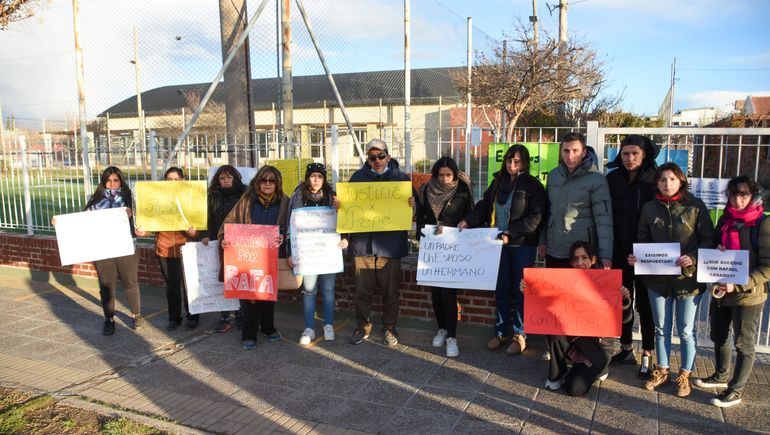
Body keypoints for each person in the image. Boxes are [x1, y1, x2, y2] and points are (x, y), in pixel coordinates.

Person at [629, 162, 714, 397]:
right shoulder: (649, 208)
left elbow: (708, 239)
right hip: (658, 280)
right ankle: (663, 370)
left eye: (672, 179)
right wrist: (638, 257)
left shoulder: (695, 206)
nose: (667, 184)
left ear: (681, 181)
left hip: (688, 280)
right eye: (663, 180)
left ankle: (685, 374)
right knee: (661, 328)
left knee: (686, 330)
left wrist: (693, 258)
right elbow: (642, 239)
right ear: (656, 182)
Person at [458, 145, 544, 355]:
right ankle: (500, 332)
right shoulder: (497, 183)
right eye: (509, 161)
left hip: (522, 245)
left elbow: (535, 218)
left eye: (517, 161)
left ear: (525, 163)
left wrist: (510, 233)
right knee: (502, 290)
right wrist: (468, 221)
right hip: (496, 245)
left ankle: (520, 335)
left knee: (521, 291)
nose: (512, 165)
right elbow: (483, 206)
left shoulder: (533, 186)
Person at [693, 176, 769, 408]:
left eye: (743, 194)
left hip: (748, 294)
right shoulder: (725, 219)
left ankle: (736, 389)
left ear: (753, 195)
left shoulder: (762, 224)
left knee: (743, 343)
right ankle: (720, 374)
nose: (738, 199)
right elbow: (714, 247)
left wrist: (737, 284)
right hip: (721, 291)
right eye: (733, 194)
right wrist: (717, 251)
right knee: (719, 335)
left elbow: (767, 266)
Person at [52, 166, 143, 335]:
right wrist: (60, 224)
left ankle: (136, 315)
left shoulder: (131, 198)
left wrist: (133, 217)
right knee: (107, 284)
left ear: (121, 181)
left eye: (116, 180)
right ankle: (109, 318)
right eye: (108, 180)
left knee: (130, 282)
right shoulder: (95, 201)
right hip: (102, 249)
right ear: (103, 182)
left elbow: (143, 223)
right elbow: (83, 223)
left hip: (127, 246)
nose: (112, 184)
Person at [535, 241, 630, 396]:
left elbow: (624, 320)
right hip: (574, 341)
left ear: (593, 259)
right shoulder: (564, 281)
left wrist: (624, 301)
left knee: (574, 389)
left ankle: (599, 368)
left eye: (584, 257)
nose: (580, 262)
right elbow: (545, 306)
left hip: (597, 348)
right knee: (554, 330)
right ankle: (556, 374)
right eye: (575, 259)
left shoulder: (607, 281)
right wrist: (529, 290)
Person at [346, 139, 414, 346]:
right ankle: (362, 326)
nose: (377, 161)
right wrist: (340, 205)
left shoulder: (401, 180)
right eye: (372, 157)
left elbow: (413, 214)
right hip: (362, 245)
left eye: (381, 156)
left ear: (388, 156)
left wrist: (413, 205)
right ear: (367, 158)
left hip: (390, 246)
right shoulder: (356, 179)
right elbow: (347, 211)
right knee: (362, 291)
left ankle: (390, 327)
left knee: (390, 291)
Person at [218, 165, 289, 350]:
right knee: (250, 296)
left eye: (271, 180)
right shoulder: (247, 200)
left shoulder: (284, 202)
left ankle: (267, 328)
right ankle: (249, 334)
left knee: (268, 294)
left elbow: (291, 226)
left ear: (277, 183)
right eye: (263, 180)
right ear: (257, 182)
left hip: (271, 255)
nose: (267, 184)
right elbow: (229, 223)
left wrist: (283, 235)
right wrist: (224, 239)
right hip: (249, 256)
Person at [606, 134, 658, 378]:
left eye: (635, 153)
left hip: (646, 254)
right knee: (622, 302)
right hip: (619, 250)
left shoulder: (655, 179)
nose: (629, 158)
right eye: (625, 153)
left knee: (645, 305)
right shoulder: (613, 178)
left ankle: (648, 352)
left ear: (644, 154)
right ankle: (626, 348)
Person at [416, 157, 475, 357]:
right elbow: (422, 215)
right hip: (433, 247)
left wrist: (467, 226)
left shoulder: (462, 190)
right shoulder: (426, 190)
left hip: (453, 248)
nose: (444, 179)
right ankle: (441, 329)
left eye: (448, 175)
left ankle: (452, 336)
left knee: (449, 294)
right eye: (440, 175)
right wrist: (421, 235)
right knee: (436, 293)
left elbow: (470, 215)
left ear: (454, 174)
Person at [286, 162, 348, 346]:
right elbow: (290, 224)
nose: (316, 180)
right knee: (309, 290)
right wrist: (290, 251)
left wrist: (346, 238)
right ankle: (309, 327)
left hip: (328, 251)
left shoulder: (332, 196)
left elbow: (345, 221)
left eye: (320, 176)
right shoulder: (298, 196)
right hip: (308, 253)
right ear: (307, 177)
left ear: (324, 178)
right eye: (312, 176)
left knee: (328, 290)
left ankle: (328, 324)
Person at [136, 167, 199, 331]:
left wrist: (195, 232)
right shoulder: (157, 199)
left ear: (182, 180)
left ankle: (192, 316)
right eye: (169, 179)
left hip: (186, 248)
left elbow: (199, 224)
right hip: (165, 248)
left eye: (176, 179)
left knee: (188, 285)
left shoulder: (191, 198)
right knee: (171, 286)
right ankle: (174, 317)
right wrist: (144, 232)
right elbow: (151, 223)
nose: (172, 182)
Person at [539, 132, 613, 270]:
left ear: (584, 152)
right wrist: (542, 240)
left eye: (575, 151)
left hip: (582, 253)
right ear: (561, 152)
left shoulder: (596, 179)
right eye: (566, 151)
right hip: (554, 249)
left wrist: (606, 256)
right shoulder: (554, 175)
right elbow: (547, 210)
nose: (570, 156)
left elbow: (604, 220)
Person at [201, 165, 247, 333]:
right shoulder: (212, 196)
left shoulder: (244, 194)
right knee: (222, 278)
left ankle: (240, 313)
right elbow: (207, 218)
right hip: (219, 242)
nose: (226, 181)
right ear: (217, 180)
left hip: (239, 242)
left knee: (238, 277)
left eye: (229, 177)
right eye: (222, 178)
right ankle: (224, 315)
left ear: (235, 178)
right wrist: (206, 234)